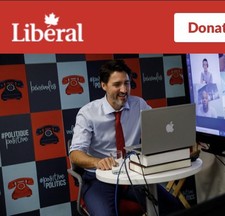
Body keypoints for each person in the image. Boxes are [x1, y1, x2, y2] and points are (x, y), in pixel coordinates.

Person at [69, 60, 182, 216]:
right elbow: (75, 154)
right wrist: (97, 161)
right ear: (103, 85)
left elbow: (160, 130)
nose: (124, 90)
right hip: (98, 178)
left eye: (127, 83)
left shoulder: (139, 105)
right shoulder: (88, 113)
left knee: (173, 207)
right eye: (117, 84)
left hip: (133, 174)